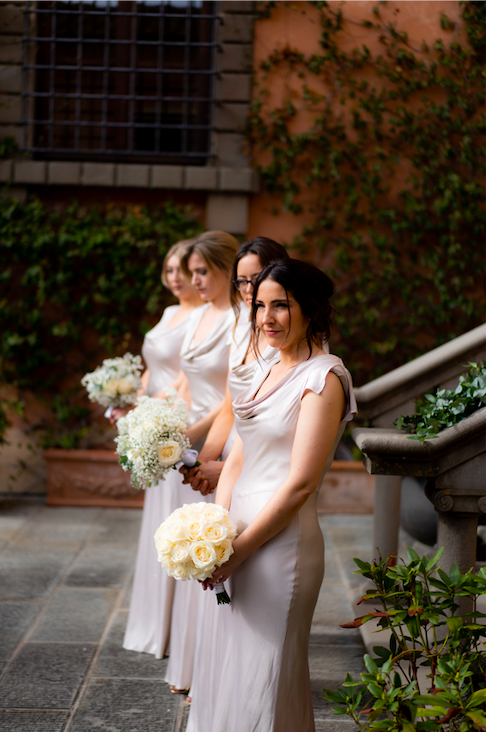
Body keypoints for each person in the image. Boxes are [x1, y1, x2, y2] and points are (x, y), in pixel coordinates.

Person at [188, 258, 357, 732]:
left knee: (266, 678)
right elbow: (238, 457)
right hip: (234, 539)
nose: (266, 318)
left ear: (311, 309)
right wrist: (216, 532)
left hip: (280, 546)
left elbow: (301, 483)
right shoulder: (262, 367)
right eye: (260, 306)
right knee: (228, 668)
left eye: (281, 305)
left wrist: (238, 552)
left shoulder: (323, 379)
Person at [164, 230, 239, 694]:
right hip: (191, 442)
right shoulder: (198, 316)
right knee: (188, 547)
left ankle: (212, 672)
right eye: (191, 274)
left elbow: (229, 400)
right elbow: (187, 383)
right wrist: (160, 431)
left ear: (225, 269)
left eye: (202, 272)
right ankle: (190, 666)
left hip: (223, 441)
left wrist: (197, 444)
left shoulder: (240, 318)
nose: (195, 281)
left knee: (212, 550)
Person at [120, 239, 203, 658]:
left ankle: (181, 633)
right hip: (153, 420)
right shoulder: (171, 313)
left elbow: (190, 375)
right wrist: (131, 404)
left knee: (181, 522)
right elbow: (151, 363)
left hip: (179, 426)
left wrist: (154, 414)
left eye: (182, 271)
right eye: (169, 270)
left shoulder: (204, 318)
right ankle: (156, 625)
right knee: (158, 525)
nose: (175, 278)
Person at [180, 236, 289, 496]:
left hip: (267, 463)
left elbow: (285, 429)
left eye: (258, 277)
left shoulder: (288, 336)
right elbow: (229, 409)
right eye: (242, 281)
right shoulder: (241, 329)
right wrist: (204, 461)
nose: (250, 289)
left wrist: (229, 468)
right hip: (228, 450)